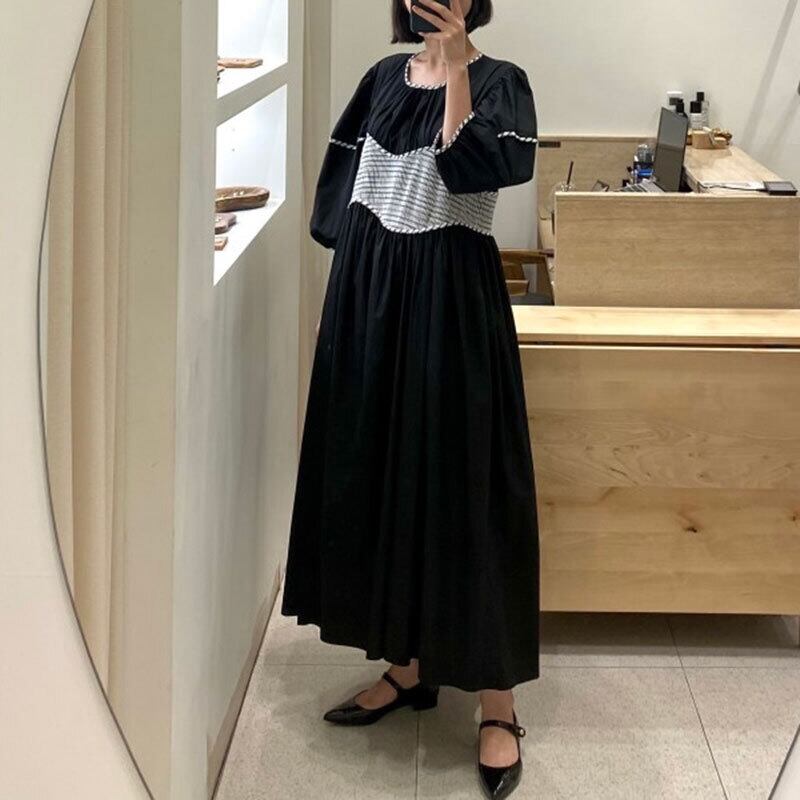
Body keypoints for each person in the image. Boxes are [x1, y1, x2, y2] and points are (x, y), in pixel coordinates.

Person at [282, 1, 539, 796]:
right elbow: (347, 196)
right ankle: (408, 665)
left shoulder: (501, 82)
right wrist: (340, 308)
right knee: (378, 473)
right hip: (370, 297)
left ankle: (497, 705)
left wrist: (457, 63)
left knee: (466, 489)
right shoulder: (380, 79)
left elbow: (474, 169)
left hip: (450, 299)